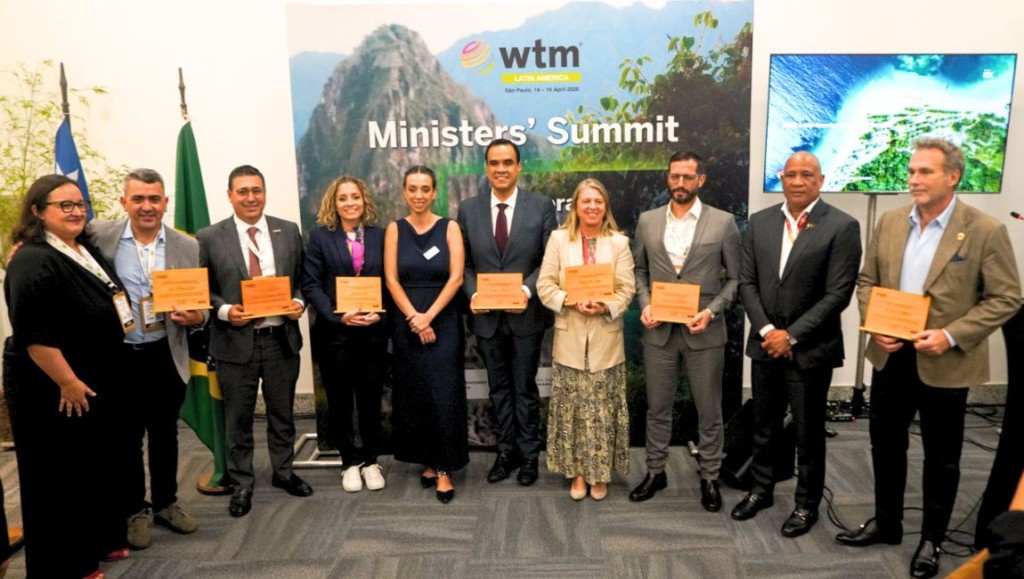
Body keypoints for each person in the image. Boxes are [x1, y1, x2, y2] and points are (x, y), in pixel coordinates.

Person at [837, 137, 1020, 579]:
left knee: (942, 457)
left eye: (924, 172)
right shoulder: (890, 222)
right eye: (911, 171)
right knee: (885, 444)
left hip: (946, 361)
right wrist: (874, 323)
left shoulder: (985, 229)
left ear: (952, 176)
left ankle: (932, 540)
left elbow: (1006, 297)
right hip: (890, 355)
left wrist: (951, 335)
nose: (913, 179)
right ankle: (887, 523)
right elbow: (867, 281)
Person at [3, 175, 132, 577]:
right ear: (38, 211)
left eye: (80, 204)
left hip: (92, 374)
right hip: (54, 385)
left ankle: (98, 540)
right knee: (58, 476)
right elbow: (34, 334)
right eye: (65, 205)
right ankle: (66, 565)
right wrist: (68, 382)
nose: (77, 212)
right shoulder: (31, 259)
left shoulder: (82, 247)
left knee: (92, 465)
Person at [731, 151, 861, 538]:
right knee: (763, 424)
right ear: (782, 179)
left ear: (821, 181)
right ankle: (761, 489)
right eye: (791, 175)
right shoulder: (760, 222)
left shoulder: (842, 226)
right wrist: (768, 330)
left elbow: (838, 294)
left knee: (808, 432)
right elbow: (746, 283)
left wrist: (791, 335)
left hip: (809, 349)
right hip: (765, 344)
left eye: (807, 175)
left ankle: (807, 504)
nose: (798, 181)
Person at [90, 169, 203, 549]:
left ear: (165, 202)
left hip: (165, 352)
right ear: (124, 202)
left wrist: (198, 316)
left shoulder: (187, 246)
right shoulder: (98, 236)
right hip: (119, 355)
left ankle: (167, 503)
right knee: (126, 437)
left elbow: (200, 300)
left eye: (154, 198)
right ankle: (135, 509)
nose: (147, 206)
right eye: (138, 198)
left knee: (165, 433)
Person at [197, 165, 312, 518]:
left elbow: (302, 280)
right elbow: (202, 288)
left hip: (280, 339)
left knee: (282, 412)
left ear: (264, 192)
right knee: (238, 417)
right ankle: (242, 482)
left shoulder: (288, 230)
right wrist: (224, 310)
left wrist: (299, 303)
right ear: (230, 195)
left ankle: (284, 471)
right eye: (243, 191)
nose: (251, 198)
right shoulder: (209, 237)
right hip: (234, 341)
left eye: (256, 190)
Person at [630, 151, 741, 510]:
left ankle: (710, 476)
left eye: (687, 177)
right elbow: (639, 271)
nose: (679, 183)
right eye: (674, 176)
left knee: (709, 410)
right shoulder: (647, 221)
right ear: (668, 178)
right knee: (657, 407)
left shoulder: (723, 222)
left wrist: (711, 311)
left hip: (703, 330)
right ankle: (655, 471)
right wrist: (645, 303)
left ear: (700, 180)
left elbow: (736, 279)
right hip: (659, 331)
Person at [457, 138, 558, 486]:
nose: (501, 169)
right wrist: (474, 294)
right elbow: (463, 263)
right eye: (494, 163)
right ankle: (506, 452)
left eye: (507, 162)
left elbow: (549, 260)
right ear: (487, 168)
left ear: (518, 167)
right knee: (498, 389)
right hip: (486, 318)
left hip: (526, 316)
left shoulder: (541, 206)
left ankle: (529, 455)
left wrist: (526, 291)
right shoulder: (468, 209)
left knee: (525, 389)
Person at [537, 178, 634, 500]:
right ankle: (578, 473)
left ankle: (600, 474)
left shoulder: (618, 243)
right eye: (586, 201)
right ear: (575, 206)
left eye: (598, 201)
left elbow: (627, 290)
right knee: (574, 412)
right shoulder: (558, 240)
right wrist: (569, 300)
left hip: (606, 341)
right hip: (570, 340)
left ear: (605, 206)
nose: (592, 207)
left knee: (602, 411)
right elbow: (545, 286)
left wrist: (605, 306)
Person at [385, 165, 467, 503]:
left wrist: (428, 317)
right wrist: (414, 318)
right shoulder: (395, 229)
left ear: (435, 193)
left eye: (425, 189)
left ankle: (445, 468)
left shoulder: (450, 228)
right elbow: (391, 280)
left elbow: (457, 278)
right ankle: (428, 460)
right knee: (416, 392)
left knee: (444, 393)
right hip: (407, 320)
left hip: (443, 320)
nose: (418, 195)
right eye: (412, 189)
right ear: (404, 192)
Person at [302, 176, 388, 493]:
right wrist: (338, 316)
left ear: (364, 201)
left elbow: (391, 280)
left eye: (355, 196)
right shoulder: (320, 237)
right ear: (334, 203)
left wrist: (381, 312)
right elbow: (311, 284)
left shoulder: (380, 236)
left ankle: (371, 460)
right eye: (343, 198)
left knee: (370, 400)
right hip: (335, 335)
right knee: (339, 401)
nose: (350, 202)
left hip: (372, 333)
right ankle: (349, 462)